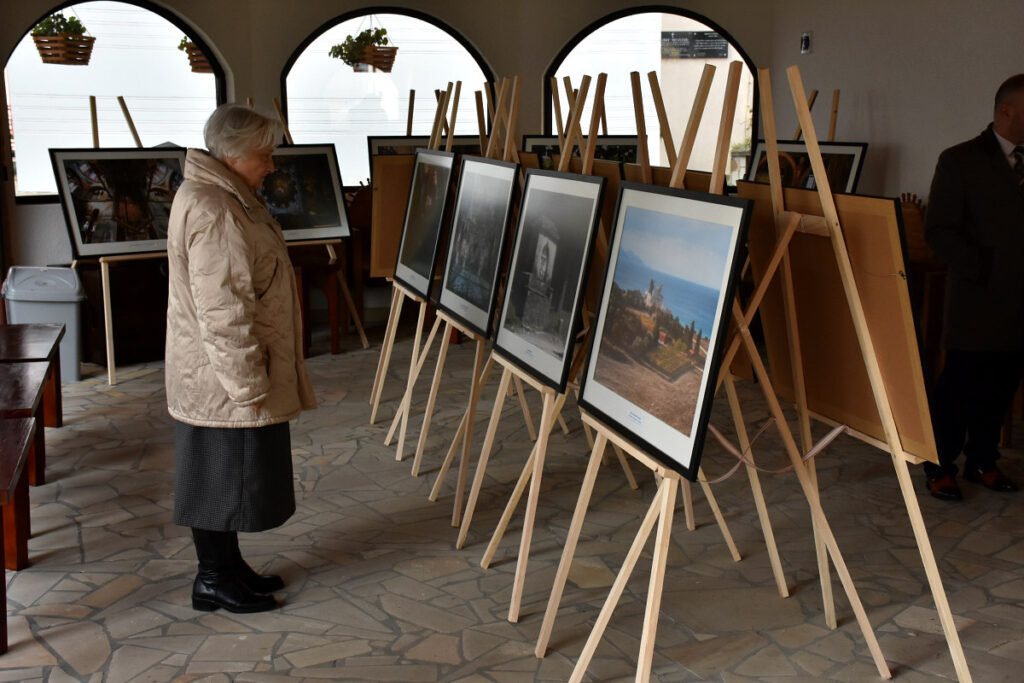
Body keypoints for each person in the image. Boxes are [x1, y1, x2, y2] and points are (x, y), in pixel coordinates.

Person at [165, 104, 317, 611]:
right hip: (221, 378)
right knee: (217, 479)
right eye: (263, 154)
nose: (271, 165)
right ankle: (212, 579)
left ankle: (228, 569)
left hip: (215, 373)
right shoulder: (214, 208)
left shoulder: (223, 195)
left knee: (226, 478)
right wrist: (247, 384)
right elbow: (224, 310)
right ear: (232, 154)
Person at [923, 74, 1024, 501]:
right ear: (1006, 111)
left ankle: (982, 460)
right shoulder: (960, 160)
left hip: (1020, 303)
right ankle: (939, 464)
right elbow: (938, 230)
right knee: (959, 387)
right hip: (977, 299)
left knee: (1002, 385)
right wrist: (983, 268)